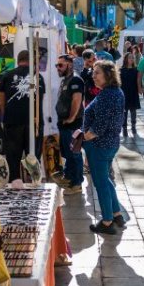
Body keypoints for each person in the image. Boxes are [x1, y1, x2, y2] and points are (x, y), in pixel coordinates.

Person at [83, 61, 125, 234]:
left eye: (97, 73)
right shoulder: (114, 92)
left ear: (108, 75)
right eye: (93, 72)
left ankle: (107, 221)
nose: (93, 76)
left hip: (100, 145)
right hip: (108, 144)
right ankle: (116, 215)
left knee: (100, 183)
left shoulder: (108, 95)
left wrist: (86, 135)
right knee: (105, 180)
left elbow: (101, 124)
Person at [0, 50, 45, 181]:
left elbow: (1, 102)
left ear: (18, 60)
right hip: (34, 121)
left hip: (13, 121)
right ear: (30, 60)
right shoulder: (38, 77)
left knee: (13, 156)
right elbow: (41, 99)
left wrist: (5, 118)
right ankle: (35, 182)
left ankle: (16, 182)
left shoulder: (7, 76)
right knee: (34, 155)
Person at [55, 54, 85, 195]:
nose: (58, 68)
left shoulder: (75, 80)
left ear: (70, 65)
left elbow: (76, 100)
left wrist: (71, 118)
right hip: (64, 124)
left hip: (73, 124)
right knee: (68, 153)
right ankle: (69, 178)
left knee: (74, 154)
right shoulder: (65, 80)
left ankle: (77, 183)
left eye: (60, 65)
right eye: (57, 65)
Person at [120, 52, 141, 137]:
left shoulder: (136, 70)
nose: (131, 59)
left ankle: (133, 126)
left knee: (133, 110)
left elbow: (139, 80)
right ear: (126, 59)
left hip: (133, 92)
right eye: (130, 58)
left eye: (132, 58)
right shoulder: (121, 70)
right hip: (124, 92)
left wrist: (140, 88)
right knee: (124, 111)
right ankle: (124, 128)